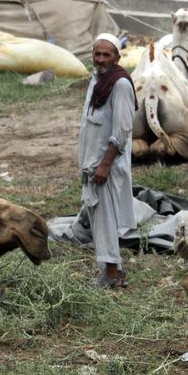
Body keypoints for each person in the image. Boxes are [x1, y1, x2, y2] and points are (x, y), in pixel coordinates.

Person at [78, 33, 137, 288]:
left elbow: (122, 131)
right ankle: (113, 271)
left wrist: (104, 164)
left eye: (106, 54)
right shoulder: (97, 81)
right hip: (92, 164)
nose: (101, 59)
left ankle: (111, 276)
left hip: (106, 167)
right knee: (99, 218)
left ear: (117, 57)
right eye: (97, 54)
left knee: (105, 220)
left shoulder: (120, 84)